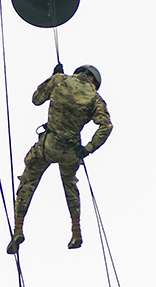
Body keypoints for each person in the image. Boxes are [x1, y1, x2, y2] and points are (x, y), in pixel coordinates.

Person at [6, 63, 111, 255]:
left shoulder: (60, 80)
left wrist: (52, 78)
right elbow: (106, 126)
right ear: (94, 81)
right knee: (70, 187)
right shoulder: (96, 99)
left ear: (79, 72)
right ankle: (76, 231)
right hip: (71, 151)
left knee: (28, 181)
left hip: (48, 145)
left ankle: (18, 229)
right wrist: (88, 149)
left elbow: (36, 99)